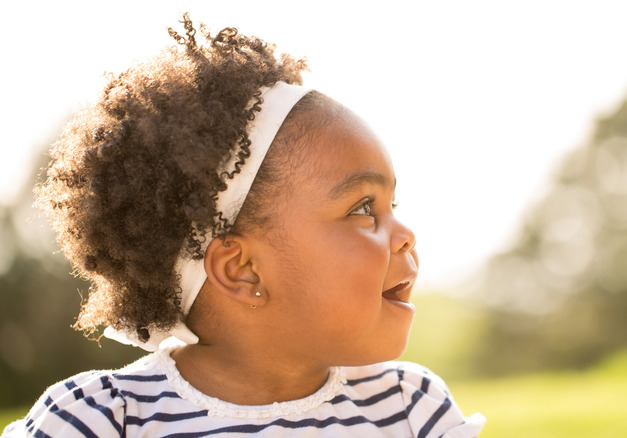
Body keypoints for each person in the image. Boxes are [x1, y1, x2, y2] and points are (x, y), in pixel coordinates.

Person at [2, 14, 485, 438]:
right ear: (242, 269)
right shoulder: (103, 419)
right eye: (363, 208)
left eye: (392, 203)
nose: (405, 234)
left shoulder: (411, 410)